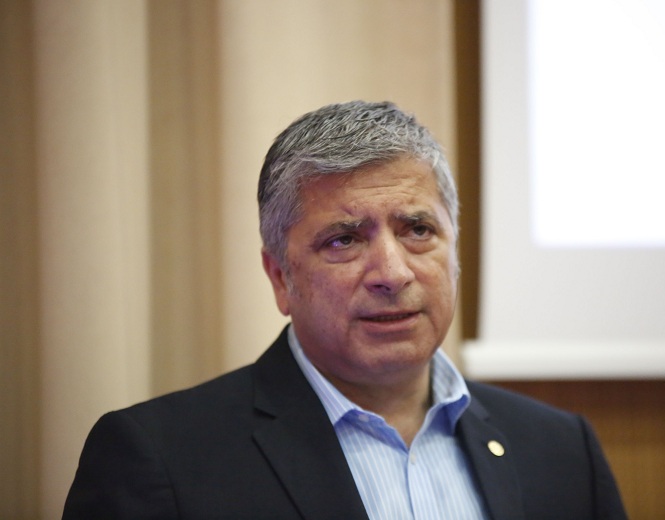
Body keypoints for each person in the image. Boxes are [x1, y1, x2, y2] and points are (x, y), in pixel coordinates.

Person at [63, 100, 627, 519]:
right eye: (344, 239)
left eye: (417, 229)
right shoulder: (159, 458)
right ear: (280, 278)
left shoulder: (561, 448)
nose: (393, 273)